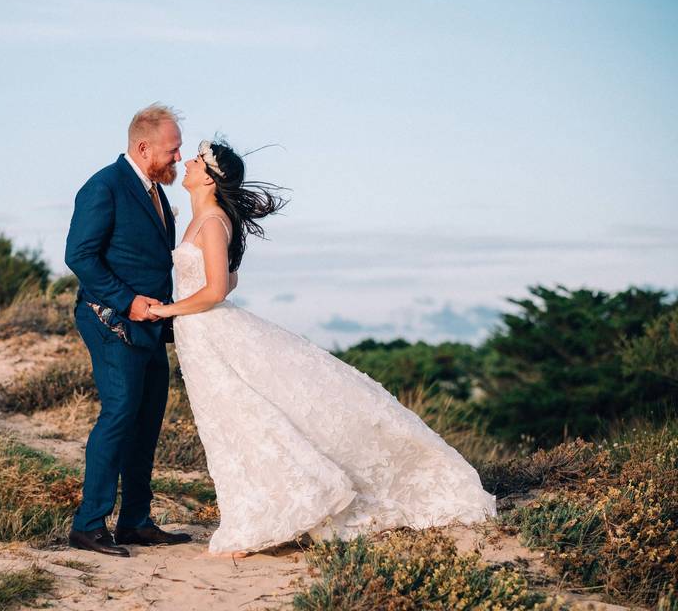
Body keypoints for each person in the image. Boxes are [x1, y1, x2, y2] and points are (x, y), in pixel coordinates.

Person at [146, 138, 497, 555]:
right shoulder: (201, 220)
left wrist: (164, 311)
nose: (187, 163)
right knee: (232, 423)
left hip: (212, 334)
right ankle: (260, 512)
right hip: (201, 337)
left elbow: (218, 289)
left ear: (210, 178)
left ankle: (275, 514)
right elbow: (231, 280)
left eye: (198, 160)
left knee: (244, 418)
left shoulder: (212, 221)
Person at [63, 103, 192, 557]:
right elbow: (79, 256)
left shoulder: (156, 192)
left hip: (153, 327)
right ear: (143, 146)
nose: (178, 158)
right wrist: (127, 302)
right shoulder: (104, 186)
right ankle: (88, 525)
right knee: (119, 414)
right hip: (110, 320)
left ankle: (135, 521)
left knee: (148, 418)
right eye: (172, 150)